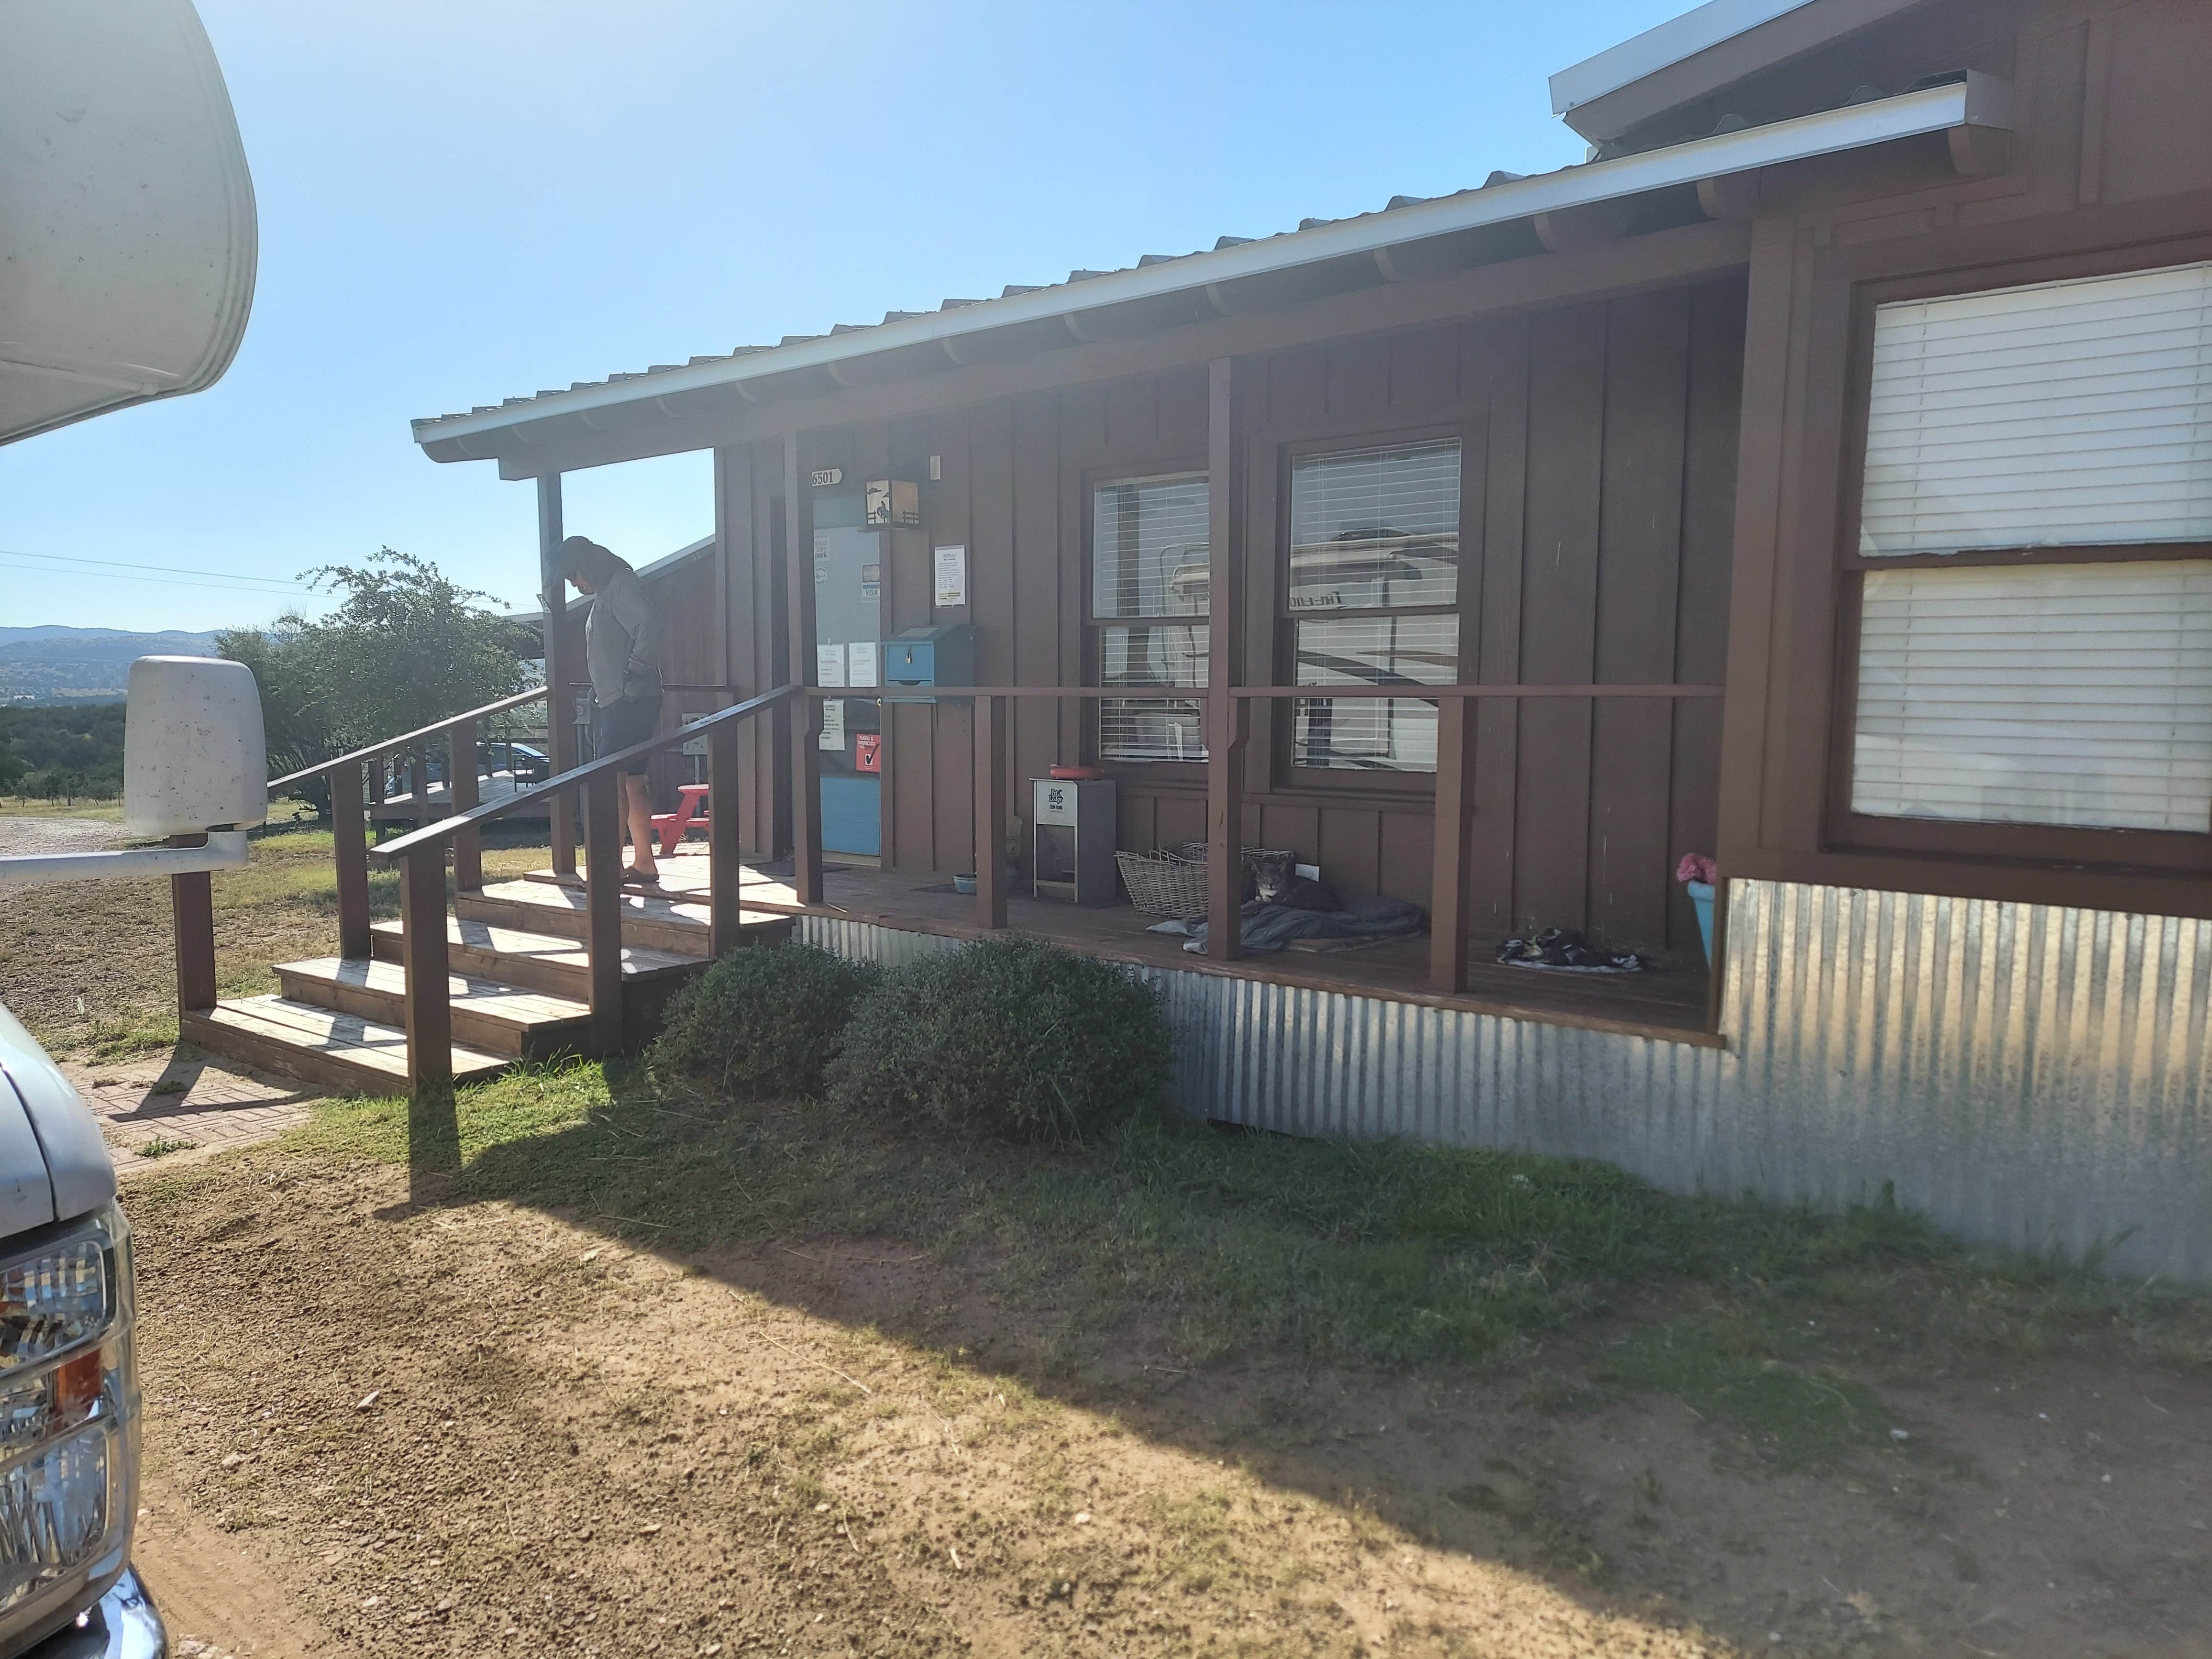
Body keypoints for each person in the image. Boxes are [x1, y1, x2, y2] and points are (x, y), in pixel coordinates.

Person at [559, 535, 665, 883]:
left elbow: (650, 625)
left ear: (587, 567)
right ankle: (644, 864)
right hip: (619, 699)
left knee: (611, 780)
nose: (575, 585)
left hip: (630, 700)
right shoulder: (607, 593)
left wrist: (632, 671)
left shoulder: (621, 585)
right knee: (632, 781)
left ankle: (610, 866)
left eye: (574, 576)